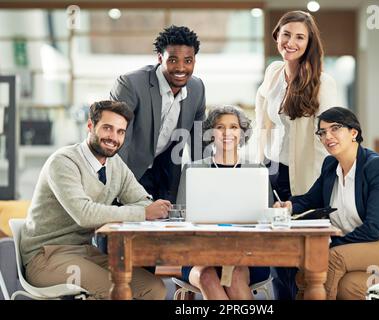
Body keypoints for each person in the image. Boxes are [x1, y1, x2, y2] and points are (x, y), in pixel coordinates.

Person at [273, 107, 379, 300]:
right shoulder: (330, 166)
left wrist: (331, 245)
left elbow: (374, 229)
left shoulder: (377, 168)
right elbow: (310, 200)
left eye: (335, 128)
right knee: (348, 286)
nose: (328, 136)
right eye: (323, 132)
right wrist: (289, 206)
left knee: (330, 260)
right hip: (365, 254)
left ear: (354, 133)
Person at [20, 100, 171, 300]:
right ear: (90, 126)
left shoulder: (115, 164)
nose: (113, 138)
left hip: (85, 252)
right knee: (116, 292)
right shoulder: (64, 162)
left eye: (120, 132)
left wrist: (145, 208)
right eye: (107, 128)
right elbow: (85, 214)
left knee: (154, 288)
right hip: (46, 256)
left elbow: (143, 200)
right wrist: (143, 213)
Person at [255, 10, 337, 299]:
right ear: (277, 35)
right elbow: (261, 123)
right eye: (286, 34)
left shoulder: (323, 82)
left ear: (309, 42)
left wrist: (318, 189)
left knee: (297, 257)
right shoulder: (274, 72)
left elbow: (328, 139)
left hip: (302, 176)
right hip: (271, 171)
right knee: (276, 255)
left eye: (299, 37)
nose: (291, 42)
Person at [176, 105, 271, 300]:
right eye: (220, 127)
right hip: (199, 254)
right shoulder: (193, 169)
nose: (227, 132)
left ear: (242, 132)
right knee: (207, 276)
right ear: (211, 132)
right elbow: (182, 216)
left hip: (247, 255)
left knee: (235, 276)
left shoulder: (257, 170)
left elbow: (267, 219)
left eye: (234, 127)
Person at [110, 25, 206, 203]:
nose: (181, 68)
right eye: (173, 60)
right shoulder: (131, 85)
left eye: (188, 60)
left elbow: (199, 143)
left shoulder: (197, 88)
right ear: (160, 58)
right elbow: (118, 141)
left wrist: (205, 185)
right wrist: (119, 189)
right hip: (130, 170)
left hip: (166, 174)